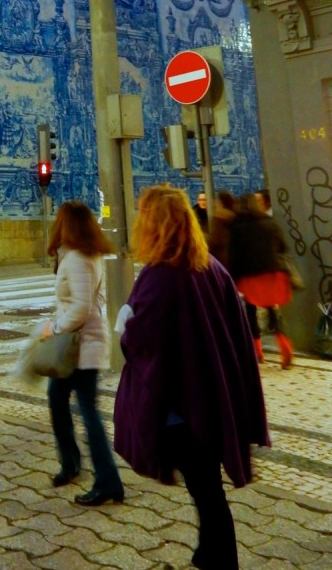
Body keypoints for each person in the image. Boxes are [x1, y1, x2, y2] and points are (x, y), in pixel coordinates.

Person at [114, 185, 269, 570]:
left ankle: (221, 559)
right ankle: (208, 551)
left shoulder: (160, 276)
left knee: (207, 492)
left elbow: (143, 340)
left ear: (154, 225)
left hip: (182, 408)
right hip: (213, 397)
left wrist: (125, 324)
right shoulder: (211, 267)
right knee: (207, 488)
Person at [43, 200, 124, 506]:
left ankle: (108, 481)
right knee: (58, 400)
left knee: (88, 413)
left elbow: (82, 307)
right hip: (77, 344)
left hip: (79, 345)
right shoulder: (83, 254)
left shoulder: (78, 258)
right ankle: (71, 463)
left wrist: (56, 327)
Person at [228, 193, 294, 368]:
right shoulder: (270, 223)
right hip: (273, 272)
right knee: (273, 310)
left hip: (250, 276)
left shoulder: (237, 227)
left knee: (250, 311)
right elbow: (283, 247)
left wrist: (233, 279)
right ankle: (285, 345)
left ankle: (257, 351)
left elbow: (234, 256)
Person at [207, 189, 237, 271]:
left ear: (221, 202)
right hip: (235, 258)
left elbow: (216, 240)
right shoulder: (235, 215)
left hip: (222, 259)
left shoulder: (219, 217)